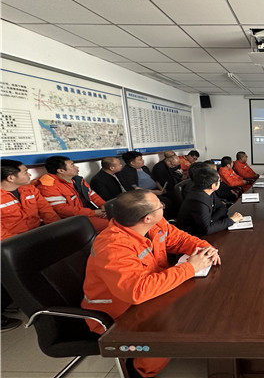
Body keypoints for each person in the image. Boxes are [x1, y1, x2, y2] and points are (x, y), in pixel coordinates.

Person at [81, 189, 220, 378]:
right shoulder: (113, 247)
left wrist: (205, 248)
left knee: (202, 303)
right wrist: (190, 268)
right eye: (160, 206)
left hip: (152, 292)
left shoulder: (155, 223)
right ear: (147, 218)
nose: (163, 206)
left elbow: (179, 239)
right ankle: (139, 371)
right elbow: (136, 292)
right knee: (169, 330)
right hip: (119, 313)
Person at [1, 159, 61, 332]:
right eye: (25, 172)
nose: (29, 174)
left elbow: (48, 212)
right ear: (11, 178)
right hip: (8, 245)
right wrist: (20, 246)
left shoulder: (30, 189)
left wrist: (57, 234)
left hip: (32, 237)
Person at [37, 156, 108, 233]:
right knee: (110, 224)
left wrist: (104, 206)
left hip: (86, 214)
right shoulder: (48, 186)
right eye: (72, 165)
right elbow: (62, 210)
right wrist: (94, 213)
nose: (76, 167)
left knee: (115, 217)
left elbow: (92, 194)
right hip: (71, 220)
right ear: (61, 171)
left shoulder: (78, 180)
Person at [177, 164, 243, 237]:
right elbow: (207, 229)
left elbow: (222, 208)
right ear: (212, 186)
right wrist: (231, 220)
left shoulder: (209, 191)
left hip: (205, 229)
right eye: (219, 181)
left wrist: (212, 221)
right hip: (192, 236)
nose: (220, 182)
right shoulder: (198, 201)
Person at [116, 151, 174, 217]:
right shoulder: (127, 172)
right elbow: (135, 189)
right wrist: (154, 192)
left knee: (173, 195)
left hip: (156, 190)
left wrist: (161, 189)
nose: (143, 161)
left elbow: (155, 180)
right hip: (144, 194)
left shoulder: (144, 168)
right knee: (166, 202)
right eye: (140, 159)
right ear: (132, 163)